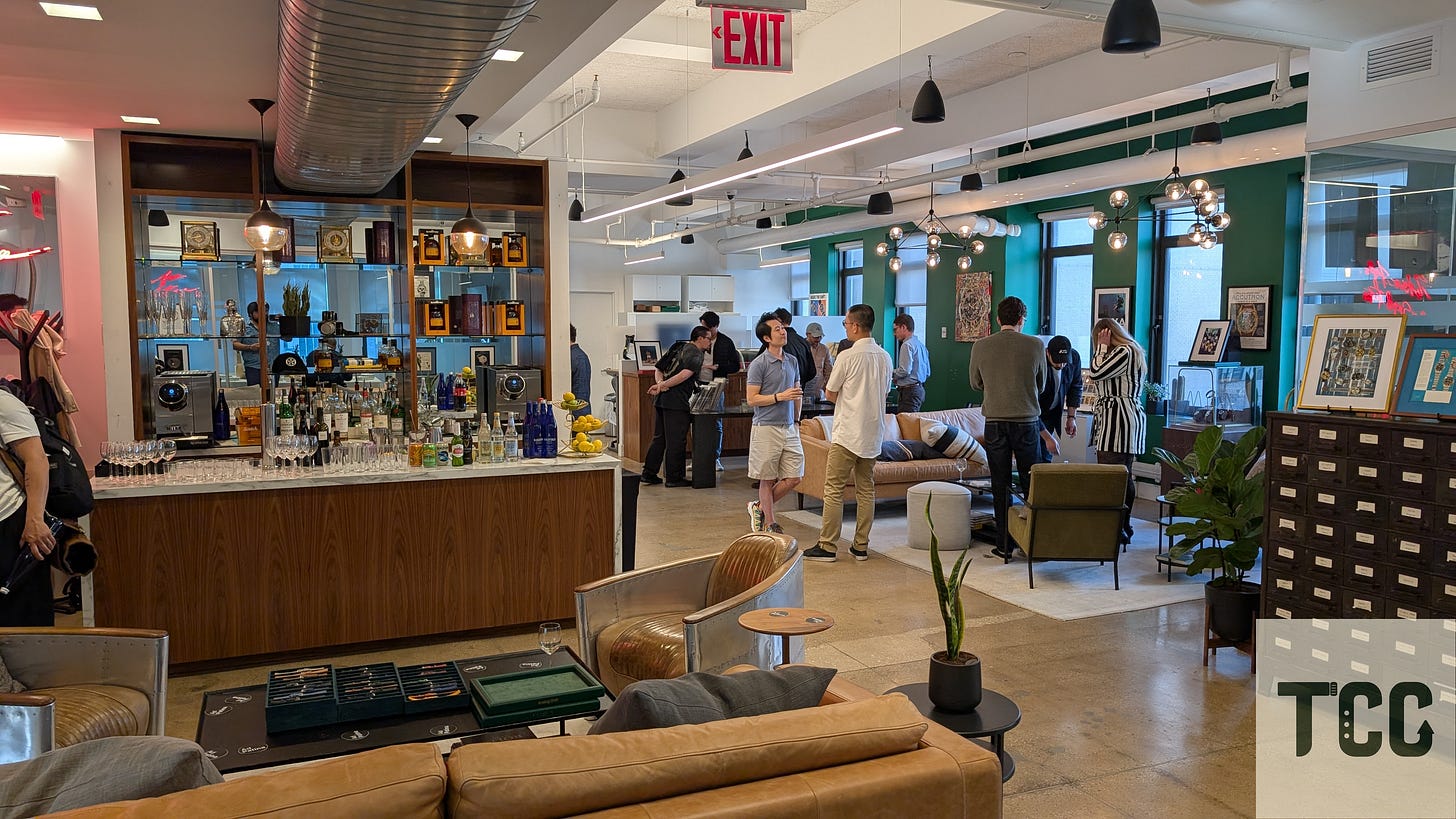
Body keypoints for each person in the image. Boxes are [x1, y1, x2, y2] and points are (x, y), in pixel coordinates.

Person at [805, 304, 892, 563]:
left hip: (847, 433)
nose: (845, 327)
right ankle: (861, 546)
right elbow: (885, 392)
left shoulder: (847, 356)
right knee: (866, 489)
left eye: (845, 323)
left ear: (854, 325)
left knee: (834, 489)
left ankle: (828, 546)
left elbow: (830, 393)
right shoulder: (885, 356)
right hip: (873, 431)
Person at [967, 296, 1046, 561]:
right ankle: (1033, 542)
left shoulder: (981, 345)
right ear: (1022, 319)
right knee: (1030, 482)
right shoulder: (1035, 345)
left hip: (995, 422)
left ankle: (1004, 545)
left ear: (998, 319)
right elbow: (1042, 385)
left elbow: (975, 383)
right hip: (1026, 422)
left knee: (999, 483)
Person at [1088, 317, 1148, 545]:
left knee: (1112, 475)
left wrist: (1101, 348)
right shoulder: (1130, 351)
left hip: (1118, 418)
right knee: (1122, 474)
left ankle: (1118, 526)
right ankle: (1122, 526)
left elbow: (1095, 373)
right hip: (1118, 416)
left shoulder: (1124, 351)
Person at [0, 389, 57, 627]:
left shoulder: (3, 403)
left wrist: (34, 520)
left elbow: (37, 460)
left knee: (24, 621)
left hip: (9, 521)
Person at [745, 315, 802, 535]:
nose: (783, 332)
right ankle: (770, 522)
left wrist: (797, 420)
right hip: (766, 426)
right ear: (767, 337)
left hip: (789, 426)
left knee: (794, 477)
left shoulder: (792, 361)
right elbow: (752, 399)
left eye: (783, 328)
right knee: (767, 477)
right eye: (777, 329)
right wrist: (779, 397)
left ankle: (758, 507)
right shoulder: (759, 364)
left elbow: (796, 394)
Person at [641, 327, 710, 488]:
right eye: (708, 338)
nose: (709, 341)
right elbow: (684, 375)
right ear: (699, 338)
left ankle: (649, 473)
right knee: (676, 440)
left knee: (660, 438)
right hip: (677, 401)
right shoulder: (696, 354)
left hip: (662, 399)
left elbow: (658, 368)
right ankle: (674, 478)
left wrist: (660, 385)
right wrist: (662, 385)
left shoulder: (677, 346)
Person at [699, 311, 744, 470]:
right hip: (698, 384)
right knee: (697, 422)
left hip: (717, 384)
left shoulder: (725, 342)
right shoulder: (698, 338)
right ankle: (699, 457)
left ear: (715, 326)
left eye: (706, 327)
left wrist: (719, 367)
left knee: (716, 421)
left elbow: (735, 366)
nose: (704, 330)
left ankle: (715, 457)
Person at [1036, 335, 1083, 463]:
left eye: (1064, 361)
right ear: (1047, 353)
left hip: (1052, 414)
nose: (1061, 365)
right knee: (1035, 458)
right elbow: (1030, 404)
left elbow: (1076, 387)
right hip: (1034, 414)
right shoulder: (1038, 362)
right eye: (1057, 361)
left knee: (1046, 459)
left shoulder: (1074, 358)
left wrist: (1071, 417)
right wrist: (1047, 437)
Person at [233, 301, 279, 387]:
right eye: (258, 312)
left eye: (265, 311)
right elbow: (235, 344)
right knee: (256, 394)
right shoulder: (244, 328)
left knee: (273, 394)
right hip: (253, 367)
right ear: (251, 314)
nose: (263, 314)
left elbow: (288, 339)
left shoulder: (274, 326)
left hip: (273, 367)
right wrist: (250, 347)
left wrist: (285, 322)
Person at [891, 314, 930, 413]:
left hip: (909, 392)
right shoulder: (921, 345)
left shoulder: (906, 345)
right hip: (919, 390)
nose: (894, 334)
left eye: (895, 330)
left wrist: (889, 374)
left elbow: (904, 371)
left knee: (906, 424)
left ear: (903, 327)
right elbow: (927, 372)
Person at [801, 322, 833, 403]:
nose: (818, 339)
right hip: (803, 392)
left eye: (820, 337)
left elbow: (828, 370)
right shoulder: (800, 347)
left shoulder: (824, 349)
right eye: (815, 337)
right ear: (807, 334)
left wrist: (827, 388)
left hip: (818, 392)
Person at [569, 324, 592, 419]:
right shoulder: (578, 356)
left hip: (578, 413)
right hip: (578, 410)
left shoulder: (577, 357)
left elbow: (581, 394)